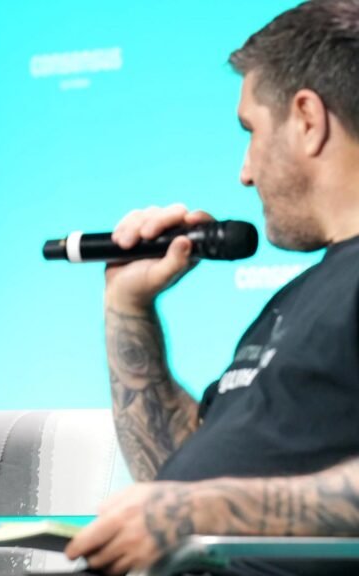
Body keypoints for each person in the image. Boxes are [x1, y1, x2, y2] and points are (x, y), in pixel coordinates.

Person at [63, 1, 359, 574]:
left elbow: (192, 503)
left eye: (252, 131)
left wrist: (202, 509)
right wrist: (128, 305)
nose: (244, 173)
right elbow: (170, 476)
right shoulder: (298, 297)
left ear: (307, 119)